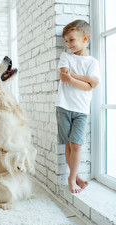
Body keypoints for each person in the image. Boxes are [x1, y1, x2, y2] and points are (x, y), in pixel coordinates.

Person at [55, 20, 100, 193]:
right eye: (66, 41)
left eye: (71, 40)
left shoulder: (92, 62)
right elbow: (82, 81)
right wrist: (86, 80)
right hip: (63, 106)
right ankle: (75, 177)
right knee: (69, 145)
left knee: (77, 145)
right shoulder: (66, 56)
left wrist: (73, 78)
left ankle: (71, 178)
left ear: (85, 38)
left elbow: (93, 84)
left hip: (81, 109)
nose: (68, 44)